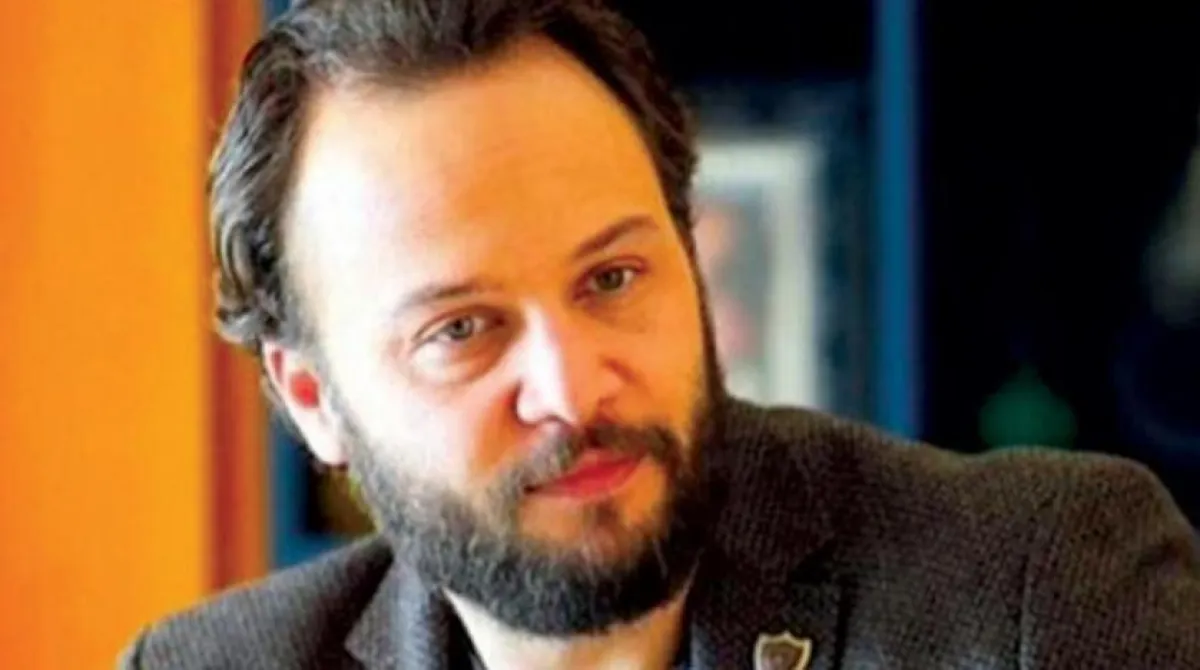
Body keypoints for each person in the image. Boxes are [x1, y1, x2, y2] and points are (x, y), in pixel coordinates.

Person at [120, 0, 1200, 668]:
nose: (573, 386)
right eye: (462, 329)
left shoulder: (1036, 595)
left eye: (613, 277)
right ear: (314, 401)